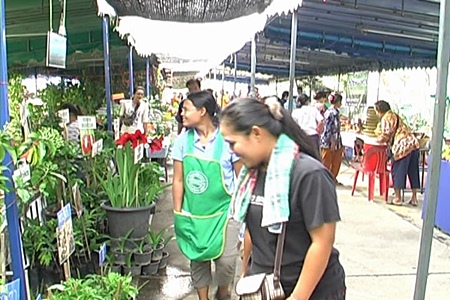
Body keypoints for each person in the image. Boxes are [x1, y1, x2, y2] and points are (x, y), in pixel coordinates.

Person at [220, 97, 346, 300]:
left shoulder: (309, 175)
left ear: (256, 133)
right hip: (264, 287)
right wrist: (245, 274)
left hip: (311, 290)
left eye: (232, 143)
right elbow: (253, 229)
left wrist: (297, 297)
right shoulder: (252, 175)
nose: (230, 151)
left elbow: (322, 243)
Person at [172, 91, 242, 300]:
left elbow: (240, 180)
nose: (181, 114)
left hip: (224, 214)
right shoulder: (183, 141)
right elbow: (178, 179)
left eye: (186, 109)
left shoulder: (228, 140)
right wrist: (178, 212)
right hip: (194, 214)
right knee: (198, 259)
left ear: (202, 112)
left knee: (227, 262)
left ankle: (223, 292)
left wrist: (241, 213)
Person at [374, 100, 420, 206]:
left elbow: (385, 135)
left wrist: (376, 139)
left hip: (402, 145)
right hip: (413, 143)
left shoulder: (386, 118)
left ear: (379, 110)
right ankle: (414, 198)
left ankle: (398, 198)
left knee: (398, 171)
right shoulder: (395, 115)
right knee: (413, 171)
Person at [320, 93, 344, 184]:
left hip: (334, 140)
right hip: (329, 141)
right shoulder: (332, 113)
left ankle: (331, 179)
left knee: (334, 160)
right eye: (340, 102)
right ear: (337, 102)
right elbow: (329, 128)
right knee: (328, 161)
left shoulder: (331, 111)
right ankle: (327, 179)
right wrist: (332, 141)